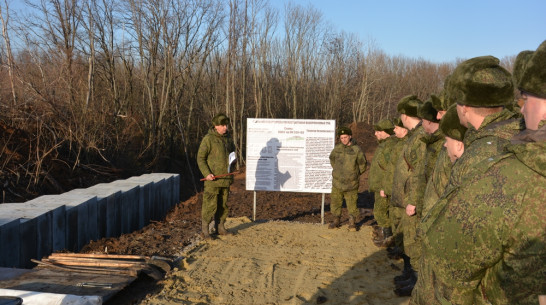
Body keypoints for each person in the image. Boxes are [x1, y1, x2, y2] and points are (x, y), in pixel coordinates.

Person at [411, 41, 546, 304]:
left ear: (463, 107)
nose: (522, 107)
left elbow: (453, 260)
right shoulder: (514, 144)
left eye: (527, 98)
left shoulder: (501, 166)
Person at [390, 95, 425, 296]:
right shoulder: (415, 135)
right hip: (406, 197)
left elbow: (419, 172)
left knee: (413, 241)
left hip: (411, 198)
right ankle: (409, 275)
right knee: (407, 239)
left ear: (405, 115)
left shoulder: (419, 137)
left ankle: (416, 282)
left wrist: (413, 199)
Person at [197, 113, 236, 239]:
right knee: (209, 205)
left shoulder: (228, 139)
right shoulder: (208, 139)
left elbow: (232, 155)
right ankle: (205, 230)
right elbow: (200, 158)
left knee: (223, 205)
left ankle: (220, 227)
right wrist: (207, 174)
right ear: (216, 126)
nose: (225, 128)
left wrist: (232, 168)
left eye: (226, 125)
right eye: (222, 125)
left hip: (225, 179)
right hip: (212, 181)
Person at [328, 126, 367, 231]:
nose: (343, 140)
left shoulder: (356, 150)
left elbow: (363, 164)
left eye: (345, 137)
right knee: (336, 202)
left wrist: (355, 174)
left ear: (350, 136)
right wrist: (337, 171)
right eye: (341, 138)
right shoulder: (337, 149)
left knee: (352, 203)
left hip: (351, 183)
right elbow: (332, 159)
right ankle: (336, 221)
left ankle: (352, 222)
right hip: (337, 182)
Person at [368, 118, 396, 247]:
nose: (375, 134)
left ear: (386, 132)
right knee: (381, 211)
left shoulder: (390, 146)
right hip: (380, 186)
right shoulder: (384, 145)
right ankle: (386, 235)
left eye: (379, 131)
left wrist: (385, 187)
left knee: (381, 211)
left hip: (383, 187)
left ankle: (388, 238)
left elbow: (390, 169)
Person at [384, 118, 409, 260]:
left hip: (402, 189)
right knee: (395, 218)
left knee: (400, 221)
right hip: (395, 187)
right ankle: (397, 246)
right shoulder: (399, 144)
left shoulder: (406, 145)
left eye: (396, 128)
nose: (393, 130)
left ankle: (401, 249)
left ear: (404, 130)